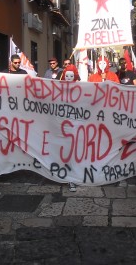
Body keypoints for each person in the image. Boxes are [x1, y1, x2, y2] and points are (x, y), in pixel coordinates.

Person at [59, 64, 80, 192]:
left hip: (75, 126)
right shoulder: (58, 89)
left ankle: (72, 177)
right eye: (67, 76)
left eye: (71, 76)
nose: (69, 78)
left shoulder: (80, 89)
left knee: (74, 152)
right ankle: (67, 176)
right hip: (62, 126)